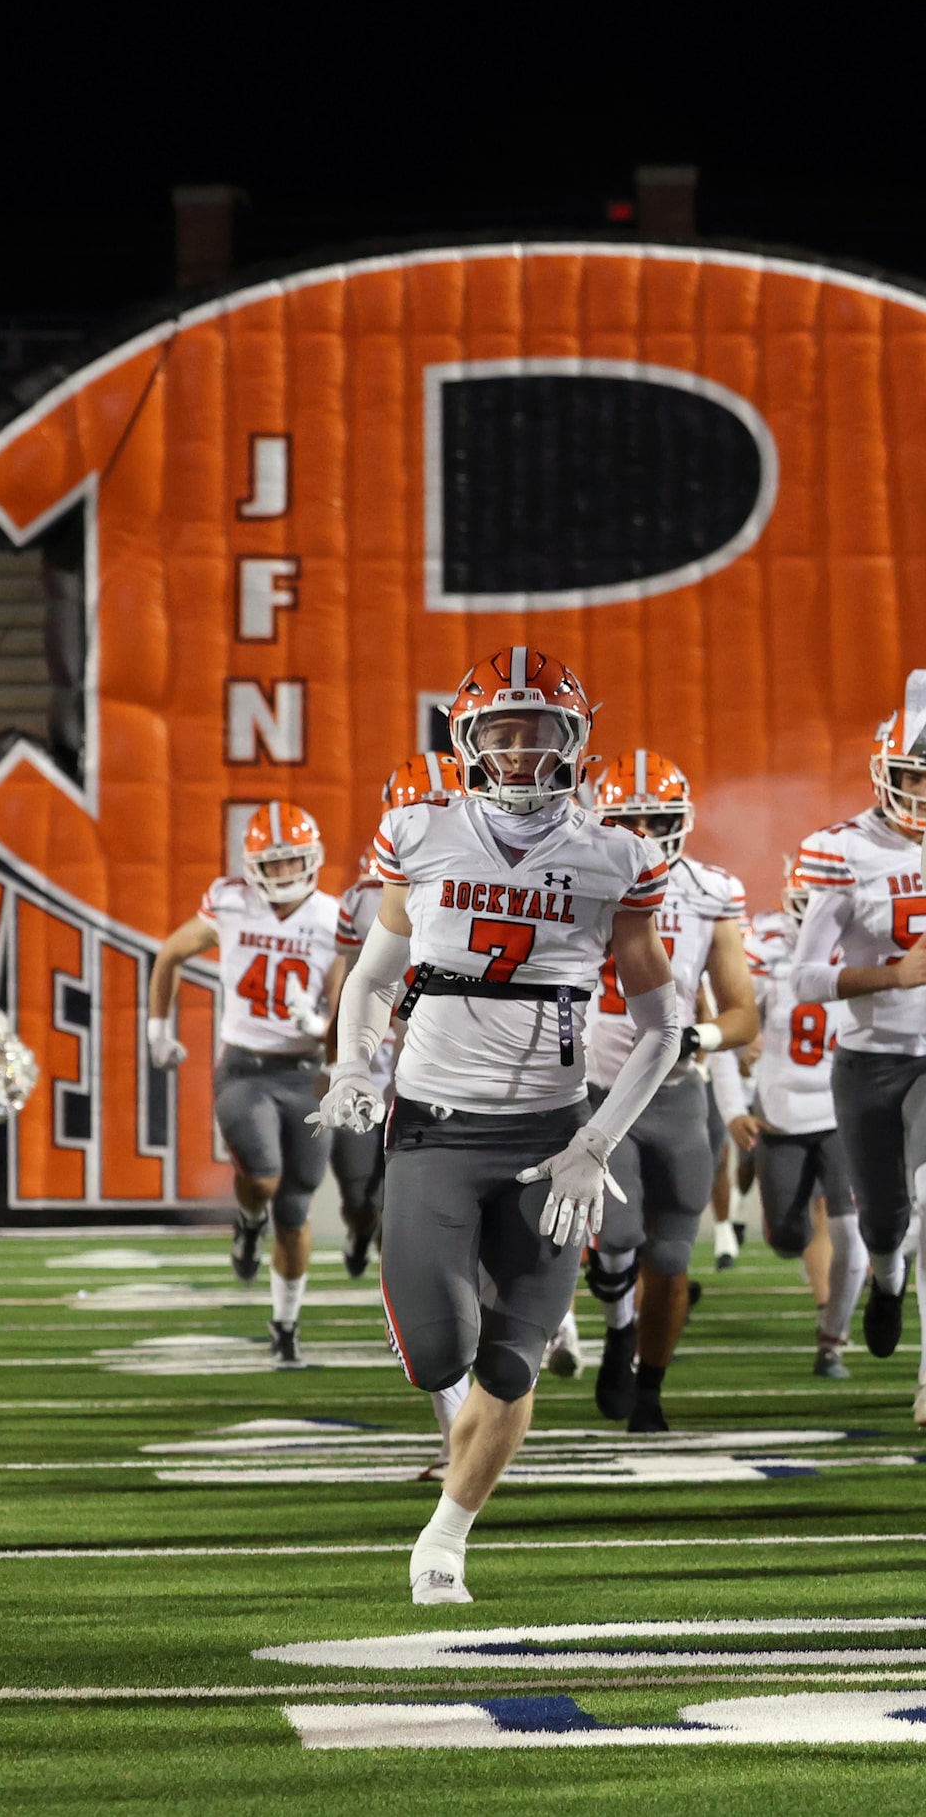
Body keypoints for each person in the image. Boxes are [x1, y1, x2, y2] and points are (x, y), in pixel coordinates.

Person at [313, 646, 684, 1606]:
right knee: (439, 1351)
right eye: (503, 733)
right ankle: (449, 1460)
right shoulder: (419, 831)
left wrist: (594, 1140)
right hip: (433, 1128)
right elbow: (373, 975)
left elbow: (661, 1029)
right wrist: (355, 1062)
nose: (521, 752)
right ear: (468, 740)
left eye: (541, 732)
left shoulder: (616, 855)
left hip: (546, 1139)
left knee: (513, 1361)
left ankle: (445, 1538)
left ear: (575, 739)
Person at [794, 705, 926, 1428]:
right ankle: (887, 1273)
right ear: (883, 773)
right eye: (909, 774)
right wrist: (894, 976)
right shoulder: (842, 851)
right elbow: (805, 979)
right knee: (880, 1223)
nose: (923, 792)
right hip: (868, 1057)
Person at [577, 752, 759, 1430]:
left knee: (675, 1258)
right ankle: (617, 1320)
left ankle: (648, 1386)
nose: (647, 832)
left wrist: (701, 1040)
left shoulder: (710, 891)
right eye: (632, 819)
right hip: (597, 1086)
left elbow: (741, 1012)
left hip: (678, 1090)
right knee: (618, 1234)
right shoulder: (571, 882)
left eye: (659, 819)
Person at [144, 803, 341, 1369]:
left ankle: (284, 1323)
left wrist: (320, 1028)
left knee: (297, 1212)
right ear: (253, 865)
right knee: (263, 1174)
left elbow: (353, 1007)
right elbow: (171, 953)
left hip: (305, 1074)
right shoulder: (230, 901)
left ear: (312, 858)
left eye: (292, 862)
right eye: (271, 864)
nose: (282, 875)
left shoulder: (333, 918)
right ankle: (247, 1217)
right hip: (246, 1069)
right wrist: (159, 1029)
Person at [319, 755, 470, 1282]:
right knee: (360, 1188)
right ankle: (361, 1228)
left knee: (413, 1193)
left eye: (445, 806)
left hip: (447, 1060)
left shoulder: (496, 886)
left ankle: (410, 1299)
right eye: (419, 810)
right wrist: (340, 1060)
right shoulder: (366, 896)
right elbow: (350, 984)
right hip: (379, 1053)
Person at [740, 851, 865, 1372]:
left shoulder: (866, 944)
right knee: (788, 1235)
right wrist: (740, 1045)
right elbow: (734, 1013)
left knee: (852, 1237)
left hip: (843, 1112)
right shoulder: (766, 946)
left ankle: (831, 1338)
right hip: (782, 1113)